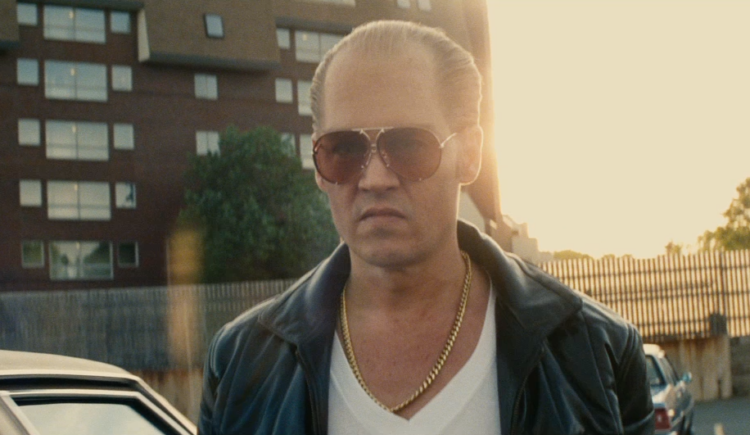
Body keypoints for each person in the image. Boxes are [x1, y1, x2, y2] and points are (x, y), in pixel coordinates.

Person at [198, 20, 654, 435]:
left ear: (469, 155)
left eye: (410, 145)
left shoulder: (595, 354)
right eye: (345, 149)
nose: (375, 179)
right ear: (318, 164)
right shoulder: (240, 363)